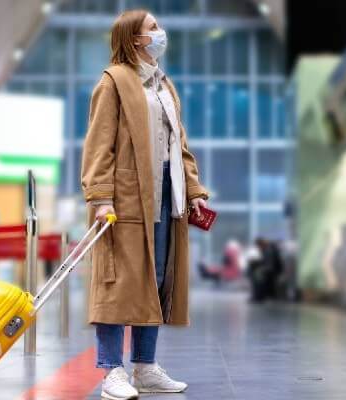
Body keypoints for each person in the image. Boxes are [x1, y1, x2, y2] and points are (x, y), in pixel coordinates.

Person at [80, 9, 209, 400]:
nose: (159, 33)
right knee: (118, 284)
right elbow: (99, 145)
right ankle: (111, 372)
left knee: (152, 282)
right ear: (135, 39)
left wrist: (194, 190)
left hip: (164, 198)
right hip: (124, 201)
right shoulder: (113, 82)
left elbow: (179, 146)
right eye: (152, 28)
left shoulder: (164, 86)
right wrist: (101, 197)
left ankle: (145, 367)